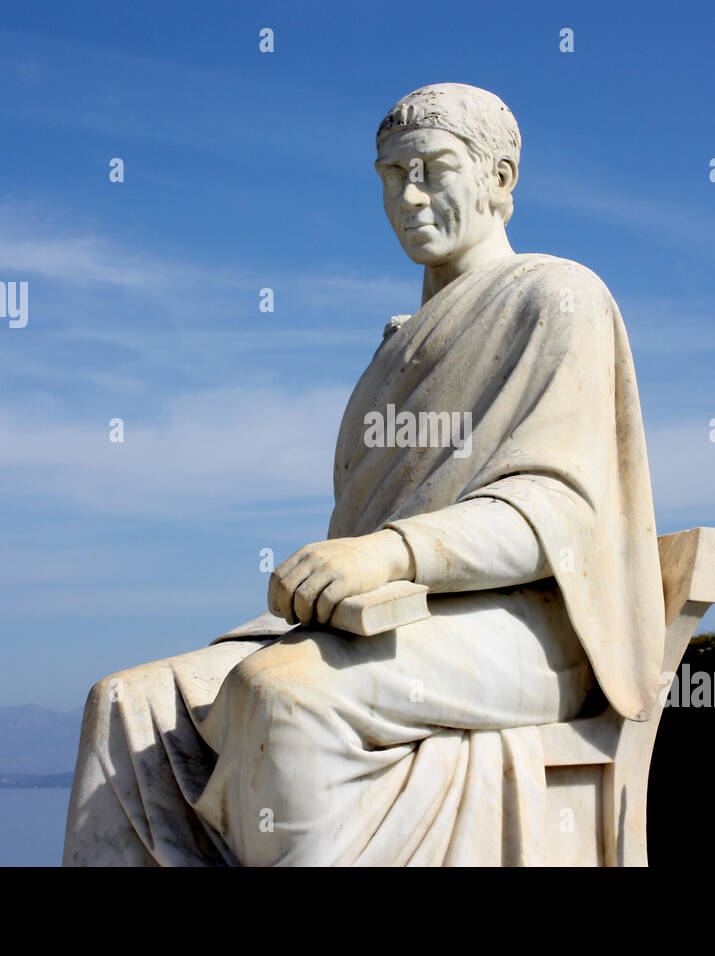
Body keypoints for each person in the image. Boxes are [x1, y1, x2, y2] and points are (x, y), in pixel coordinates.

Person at [62, 83, 665, 866]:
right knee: (126, 705)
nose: (408, 197)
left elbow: (555, 506)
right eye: (390, 175)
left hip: (530, 626)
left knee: (284, 695)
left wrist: (386, 553)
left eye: (433, 169)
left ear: (501, 178)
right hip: (403, 618)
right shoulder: (392, 353)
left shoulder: (558, 297)